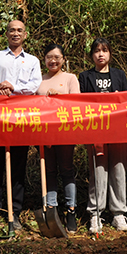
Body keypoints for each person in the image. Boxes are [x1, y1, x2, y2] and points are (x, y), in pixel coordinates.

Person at [0, 20, 41, 231]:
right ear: (6, 34)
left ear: (25, 35)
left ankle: (14, 212)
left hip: (21, 119)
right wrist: (0, 89)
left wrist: (13, 87)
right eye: (12, 30)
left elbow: (34, 85)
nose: (15, 33)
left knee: (18, 165)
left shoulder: (32, 60)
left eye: (19, 30)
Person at [78, 37, 127, 233]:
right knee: (98, 172)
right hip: (95, 131)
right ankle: (96, 213)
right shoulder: (85, 76)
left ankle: (118, 214)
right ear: (92, 55)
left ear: (110, 54)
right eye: (97, 51)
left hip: (118, 130)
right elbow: (80, 103)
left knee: (119, 170)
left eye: (104, 50)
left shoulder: (119, 75)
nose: (101, 54)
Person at [36, 43, 80, 233]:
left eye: (56, 57)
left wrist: (60, 96)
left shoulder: (70, 78)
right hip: (44, 132)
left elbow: (77, 103)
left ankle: (71, 210)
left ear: (63, 59)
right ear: (44, 59)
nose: (53, 61)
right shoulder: (38, 79)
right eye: (49, 57)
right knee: (49, 171)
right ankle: (51, 208)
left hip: (65, 132)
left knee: (67, 170)